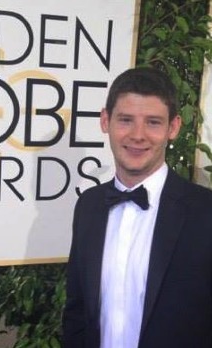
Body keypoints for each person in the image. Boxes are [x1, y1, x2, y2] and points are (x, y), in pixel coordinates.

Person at [62, 67, 212, 348]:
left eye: (153, 122)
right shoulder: (89, 206)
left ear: (174, 127)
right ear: (105, 121)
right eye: (126, 120)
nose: (138, 135)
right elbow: (77, 310)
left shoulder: (206, 213)